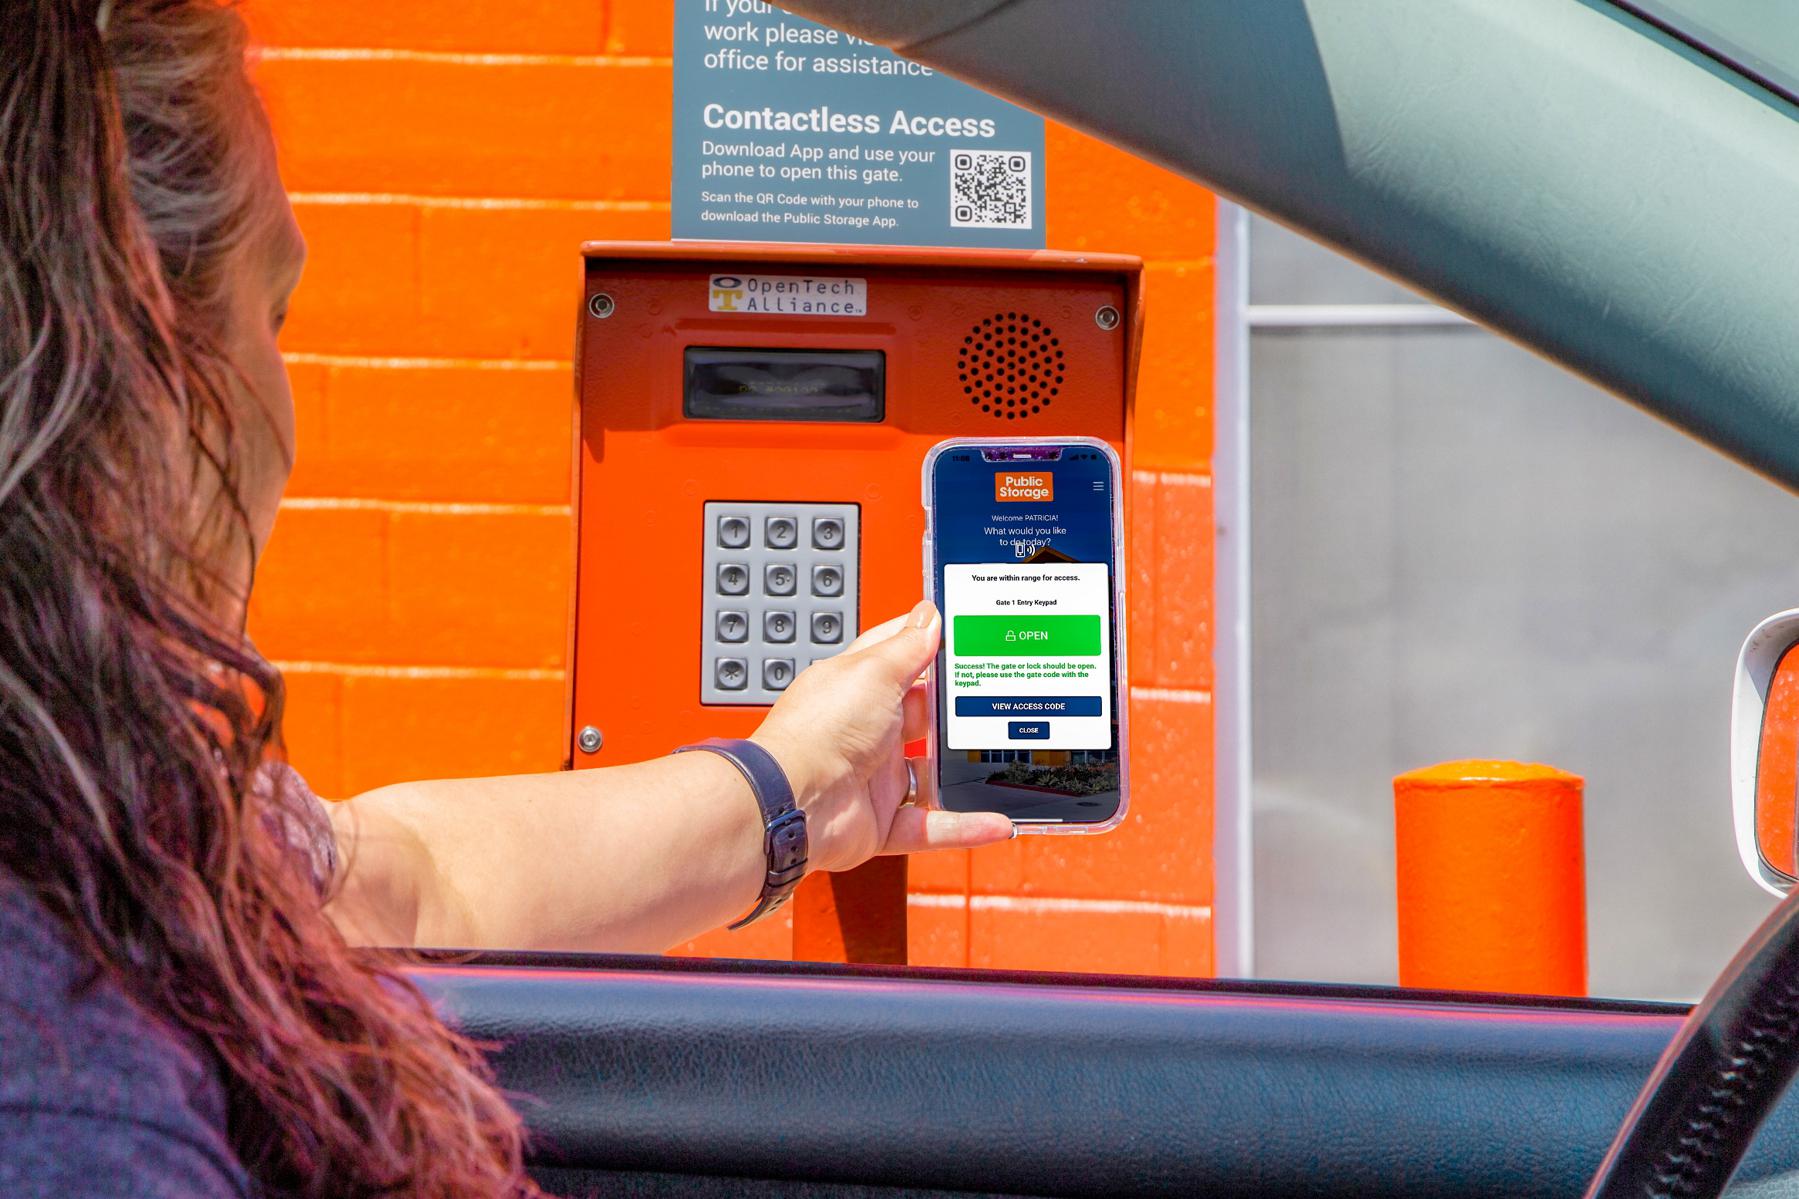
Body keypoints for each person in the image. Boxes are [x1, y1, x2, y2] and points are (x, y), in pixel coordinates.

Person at [0, 1, 1014, 1194]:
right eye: (270, 314)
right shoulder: (71, 1096)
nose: (289, 416)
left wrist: (795, 787)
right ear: (128, 372)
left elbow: (411, 873)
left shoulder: (123, 824)